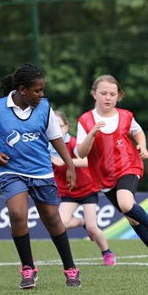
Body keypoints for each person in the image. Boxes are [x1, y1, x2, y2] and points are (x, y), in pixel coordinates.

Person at [0, 63, 81, 289]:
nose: (41, 94)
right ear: (22, 90)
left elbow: (56, 138)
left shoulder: (45, 108)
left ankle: (70, 269)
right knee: (17, 214)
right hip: (12, 172)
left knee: (52, 219)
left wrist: (70, 164)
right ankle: (28, 268)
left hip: (41, 172)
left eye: (42, 90)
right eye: (37, 90)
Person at [75, 75, 148, 271]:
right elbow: (81, 153)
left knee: (126, 204)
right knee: (132, 218)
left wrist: (142, 146)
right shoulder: (85, 120)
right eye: (103, 93)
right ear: (94, 94)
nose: (108, 97)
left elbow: (138, 131)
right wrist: (91, 134)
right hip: (103, 176)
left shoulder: (125, 116)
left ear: (119, 96)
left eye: (112, 94)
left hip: (128, 166)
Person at [51, 110, 116, 266]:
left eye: (59, 126)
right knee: (60, 224)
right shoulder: (48, 146)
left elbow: (86, 161)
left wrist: (65, 162)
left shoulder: (73, 143)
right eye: (52, 127)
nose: (57, 130)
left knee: (93, 228)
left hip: (87, 188)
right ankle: (83, 223)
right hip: (68, 191)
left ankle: (107, 252)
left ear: (66, 127)